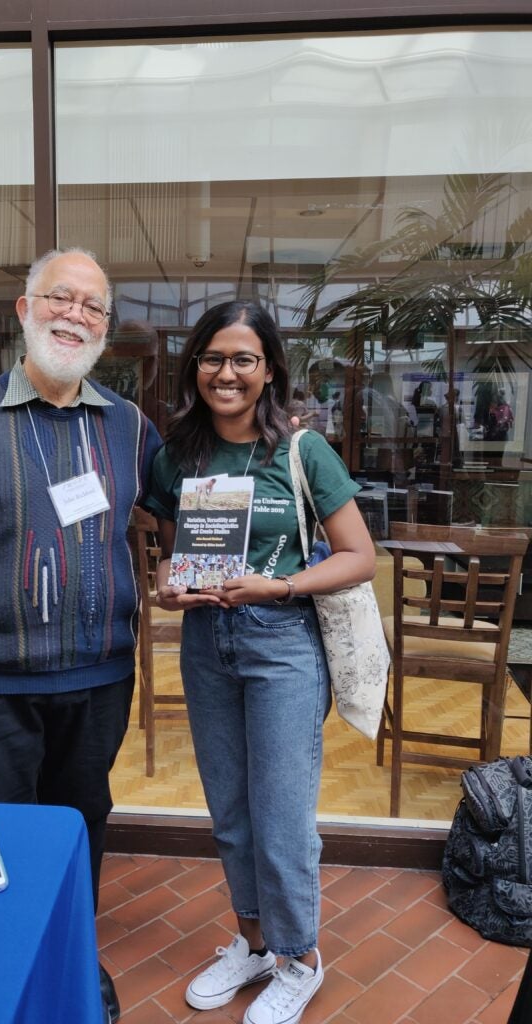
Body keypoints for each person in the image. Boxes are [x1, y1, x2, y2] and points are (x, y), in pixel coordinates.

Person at [0, 247, 162, 1024]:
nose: (74, 315)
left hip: (100, 680)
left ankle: (72, 964)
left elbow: (193, 498)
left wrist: (276, 466)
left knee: (80, 830)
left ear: (105, 328)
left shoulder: (129, 427)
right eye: (59, 298)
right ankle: (2, 971)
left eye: (92, 306)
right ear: (24, 309)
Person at [146, 301, 375, 1024]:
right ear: (195, 367)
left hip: (282, 644)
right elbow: (169, 551)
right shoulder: (175, 455)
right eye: (213, 358)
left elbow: (360, 555)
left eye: (243, 359)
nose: (227, 373)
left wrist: (280, 585)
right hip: (206, 645)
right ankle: (251, 944)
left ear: (269, 369)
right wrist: (167, 584)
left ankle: (299, 958)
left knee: (280, 816)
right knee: (230, 811)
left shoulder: (302, 451)